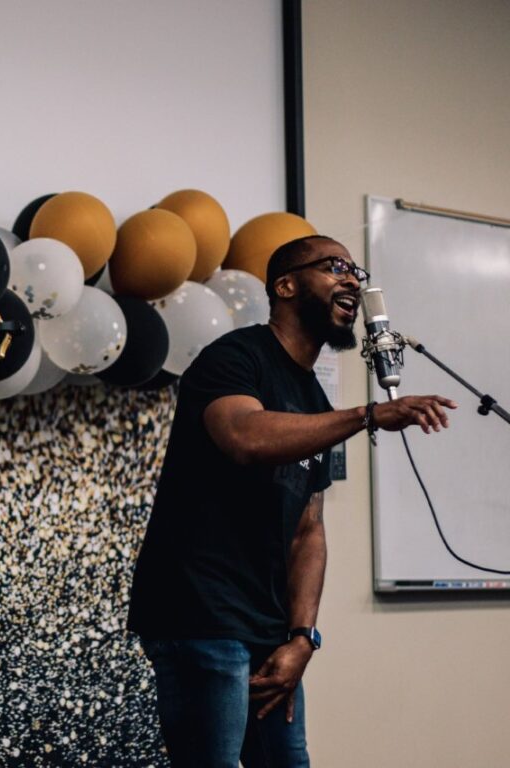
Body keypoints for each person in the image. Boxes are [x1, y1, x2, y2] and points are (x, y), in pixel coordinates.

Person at [127, 235, 455, 767]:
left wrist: (303, 637)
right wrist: (365, 416)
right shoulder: (234, 357)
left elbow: (309, 530)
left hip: (271, 629)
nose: (353, 279)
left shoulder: (313, 399)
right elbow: (246, 438)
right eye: (334, 267)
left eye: (356, 269)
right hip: (200, 614)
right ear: (285, 285)